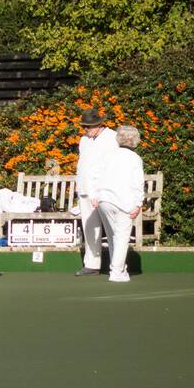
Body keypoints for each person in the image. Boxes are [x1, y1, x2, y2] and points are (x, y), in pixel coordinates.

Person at [94, 125, 145, 284]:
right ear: (135, 141)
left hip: (105, 200)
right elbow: (138, 183)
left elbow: (97, 176)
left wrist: (96, 195)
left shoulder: (108, 155)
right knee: (122, 238)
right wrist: (138, 203)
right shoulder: (135, 158)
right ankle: (116, 272)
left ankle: (119, 268)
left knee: (112, 237)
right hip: (124, 202)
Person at [73, 108, 119, 276]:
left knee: (112, 228)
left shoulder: (112, 138)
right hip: (85, 190)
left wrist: (102, 190)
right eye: (84, 126)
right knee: (89, 229)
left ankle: (117, 264)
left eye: (89, 126)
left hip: (103, 192)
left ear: (99, 124)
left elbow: (112, 167)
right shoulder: (84, 140)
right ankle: (92, 264)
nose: (86, 129)